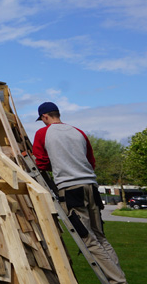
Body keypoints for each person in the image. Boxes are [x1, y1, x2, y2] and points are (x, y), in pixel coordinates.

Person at [32, 102, 127, 284]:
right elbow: (90, 161)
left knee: (88, 239)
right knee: (100, 236)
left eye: (42, 120)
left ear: (44, 117)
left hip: (71, 191)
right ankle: (119, 277)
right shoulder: (78, 132)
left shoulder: (43, 133)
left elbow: (41, 164)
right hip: (91, 187)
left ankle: (118, 282)